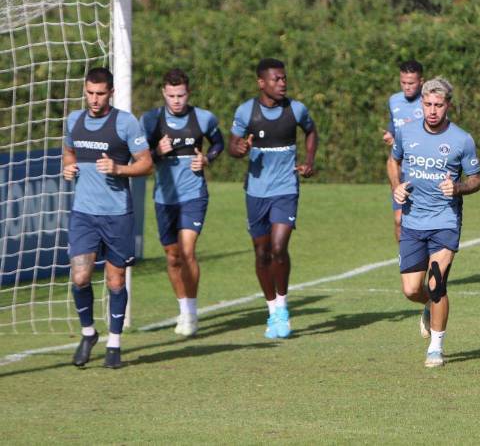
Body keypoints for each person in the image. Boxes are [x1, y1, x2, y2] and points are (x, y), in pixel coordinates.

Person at [387, 77, 480, 368]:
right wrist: (396, 186)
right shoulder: (406, 132)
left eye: (438, 105)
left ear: (448, 105)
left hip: (445, 220)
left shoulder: (462, 139)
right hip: (413, 220)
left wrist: (459, 187)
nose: (432, 110)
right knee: (411, 290)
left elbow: (476, 180)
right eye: (427, 104)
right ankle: (428, 304)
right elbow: (393, 161)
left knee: (437, 282)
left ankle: (436, 347)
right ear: (422, 103)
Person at [62, 67, 153, 368]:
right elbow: (68, 153)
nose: (94, 99)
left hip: (117, 215)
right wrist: (68, 168)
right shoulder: (74, 120)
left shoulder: (125, 123)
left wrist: (119, 169)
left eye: (100, 94)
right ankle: (88, 333)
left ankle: (114, 342)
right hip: (84, 214)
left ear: (111, 93)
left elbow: (146, 164)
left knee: (115, 281)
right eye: (90, 93)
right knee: (80, 277)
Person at [228, 58, 318, 339]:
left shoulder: (296, 109)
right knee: (262, 253)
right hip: (256, 192)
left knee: (279, 248)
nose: (282, 83)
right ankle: (271, 311)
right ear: (261, 83)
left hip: (285, 189)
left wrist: (309, 160)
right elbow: (233, 145)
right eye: (276, 79)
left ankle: (282, 307)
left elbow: (311, 131)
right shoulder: (246, 111)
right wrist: (239, 149)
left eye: (284, 78)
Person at [140, 68, 224, 336]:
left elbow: (218, 143)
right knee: (173, 256)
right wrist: (157, 151)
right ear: (163, 93)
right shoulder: (150, 120)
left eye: (181, 95)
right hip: (164, 198)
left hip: (193, 194)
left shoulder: (203, 118)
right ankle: (183, 308)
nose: (176, 100)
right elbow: (139, 158)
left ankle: (191, 313)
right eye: (172, 95)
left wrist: (207, 159)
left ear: (189, 93)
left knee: (187, 252)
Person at [383, 60, 424, 243]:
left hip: (423, 169)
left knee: (421, 223)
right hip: (400, 168)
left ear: (421, 81)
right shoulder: (394, 100)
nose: (407, 87)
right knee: (399, 220)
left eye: (411, 83)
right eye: (403, 82)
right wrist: (390, 134)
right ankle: (405, 258)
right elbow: (394, 123)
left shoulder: (429, 103)